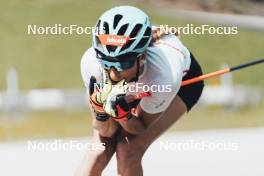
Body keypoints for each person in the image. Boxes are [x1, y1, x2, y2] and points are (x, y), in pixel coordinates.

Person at [76, 5, 204, 176]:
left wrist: (123, 115)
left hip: (182, 83)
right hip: (137, 82)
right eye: (107, 61)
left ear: (142, 57)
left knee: (128, 148)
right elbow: (105, 131)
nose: (114, 73)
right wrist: (101, 111)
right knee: (100, 149)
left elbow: (140, 126)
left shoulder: (163, 76)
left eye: (124, 63)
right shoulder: (91, 64)